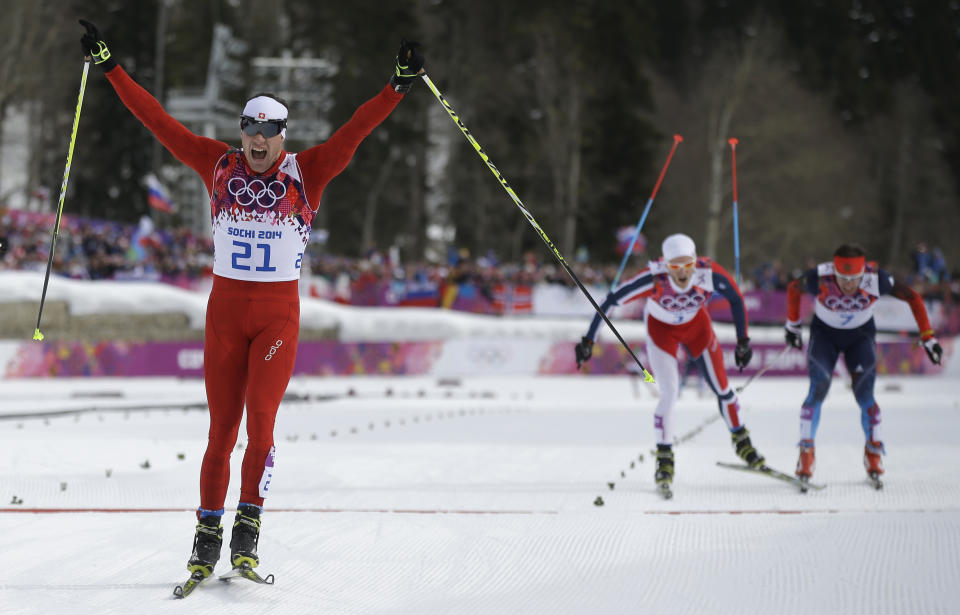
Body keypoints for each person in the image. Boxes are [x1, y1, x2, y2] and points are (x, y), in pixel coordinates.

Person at [78, 20, 424, 578]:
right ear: (241, 132)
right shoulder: (217, 164)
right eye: (249, 130)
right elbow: (157, 121)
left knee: (260, 425)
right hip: (224, 315)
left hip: (276, 319)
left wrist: (397, 86)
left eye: (268, 131)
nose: (258, 141)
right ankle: (206, 535)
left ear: (284, 134)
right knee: (220, 432)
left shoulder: (307, 171)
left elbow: (354, 133)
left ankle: (248, 528)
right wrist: (111, 64)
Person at [575, 233, 762, 495]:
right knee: (669, 392)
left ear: (696, 262)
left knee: (722, 387)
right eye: (675, 267)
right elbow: (610, 301)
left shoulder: (708, 273)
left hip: (698, 328)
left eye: (688, 265)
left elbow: (735, 298)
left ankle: (743, 442)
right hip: (662, 332)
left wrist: (743, 340)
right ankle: (664, 459)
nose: (683, 273)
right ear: (665, 265)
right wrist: (588, 339)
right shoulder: (654, 278)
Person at [785, 243, 942, 484]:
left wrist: (928, 337)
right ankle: (806, 452)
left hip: (860, 338)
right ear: (834, 272)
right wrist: (793, 325)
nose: (849, 285)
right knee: (818, 389)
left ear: (863, 273)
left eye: (854, 279)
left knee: (865, 397)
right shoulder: (819, 276)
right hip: (825, 337)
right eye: (843, 279)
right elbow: (794, 289)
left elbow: (913, 297)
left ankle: (873, 452)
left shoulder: (876, 279)